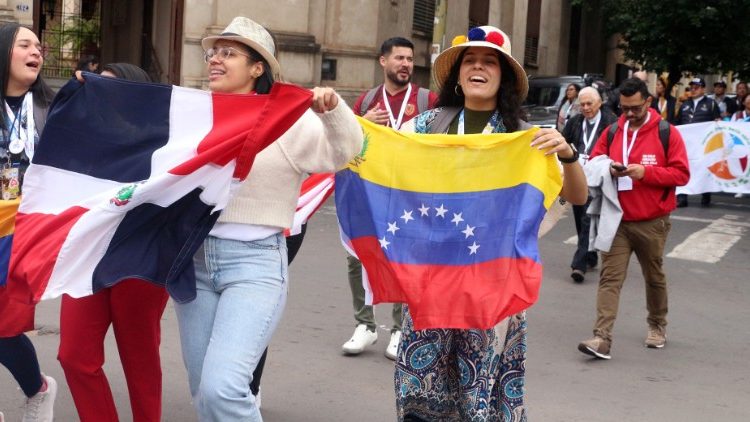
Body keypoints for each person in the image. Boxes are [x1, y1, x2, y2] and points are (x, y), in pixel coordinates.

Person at [173, 17, 362, 421]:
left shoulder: (288, 121)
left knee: (223, 389)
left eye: (228, 53)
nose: (215, 60)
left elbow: (343, 153)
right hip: (194, 263)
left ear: (258, 67)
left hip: (254, 265)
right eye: (213, 52)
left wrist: (332, 109)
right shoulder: (195, 114)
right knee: (203, 392)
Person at [395, 26, 587, 420]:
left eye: (489, 62)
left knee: (479, 391)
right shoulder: (424, 128)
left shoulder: (524, 138)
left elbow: (577, 197)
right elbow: (383, 170)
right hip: (430, 280)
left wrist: (567, 155)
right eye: (470, 61)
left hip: (493, 284)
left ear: (503, 78)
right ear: (458, 75)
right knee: (420, 386)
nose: (478, 68)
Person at [57, 63, 170, 422]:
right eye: (96, 87)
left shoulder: (165, 140)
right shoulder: (81, 133)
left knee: (140, 359)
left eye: (109, 88)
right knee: (74, 355)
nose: (101, 95)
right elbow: (39, 110)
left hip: (141, 259)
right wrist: (74, 91)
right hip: (87, 255)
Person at [577, 77, 690, 360]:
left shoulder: (667, 133)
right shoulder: (614, 131)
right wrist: (609, 168)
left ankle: (657, 325)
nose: (628, 114)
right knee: (609, 279)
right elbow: (594, 160)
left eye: (635, 108)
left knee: (653, 277)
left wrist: (645, 173)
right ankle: (601, 338)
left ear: (648, 103)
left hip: (652, 221)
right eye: (624, 108)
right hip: (617, 220)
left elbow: (682, 174)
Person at [343, 36, 438, 360]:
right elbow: (346, 145)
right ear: (383, 61)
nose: (406, 64)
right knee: (359, 254)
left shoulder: (427, 100)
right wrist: (362, 124)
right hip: (372, 195)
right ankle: (365, 324)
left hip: (412, 197)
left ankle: (399, 329)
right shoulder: (367, 101)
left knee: (405, 259)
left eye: (410, 59)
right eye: (399, 58)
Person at [0, 23, 57, 422]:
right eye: (25, 44)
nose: (36, 51)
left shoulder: (56, 108)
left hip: (25, 233)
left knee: (4, 327)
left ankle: (38, 389)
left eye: (39, 46)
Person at [562, 87, 617, 283]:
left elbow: (617, 148)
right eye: (582, 104)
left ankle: (579, 264)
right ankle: (590, 254)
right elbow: (564, 142)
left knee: (587, 218)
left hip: (599, 176)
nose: (585, 108)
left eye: (589, 104)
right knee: (580, 215)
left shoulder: (611, 123)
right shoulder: (576, 121)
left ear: (599, 103)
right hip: (579, 175)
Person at [675, 77, 720, 207]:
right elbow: (678, 123)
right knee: (684, 167)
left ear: (703, 89)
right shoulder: (685, 104)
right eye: (692, 87)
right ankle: (682, 196)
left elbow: (717, 122)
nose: (693, 90)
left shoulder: (711, 104)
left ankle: (706, 194)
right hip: (687, 144)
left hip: (704, 144)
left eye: (697, 87)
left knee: (704, 168)